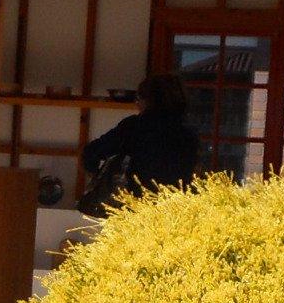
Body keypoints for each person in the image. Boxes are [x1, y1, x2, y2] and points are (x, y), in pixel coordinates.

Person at [79, 74, 201, 210]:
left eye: (138, 98)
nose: (136, 103)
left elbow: (91, 153)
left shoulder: (134, 126)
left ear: (148, 100)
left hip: (134, 206)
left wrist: (98, 175)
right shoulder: (189, 134)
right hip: (174, 209)